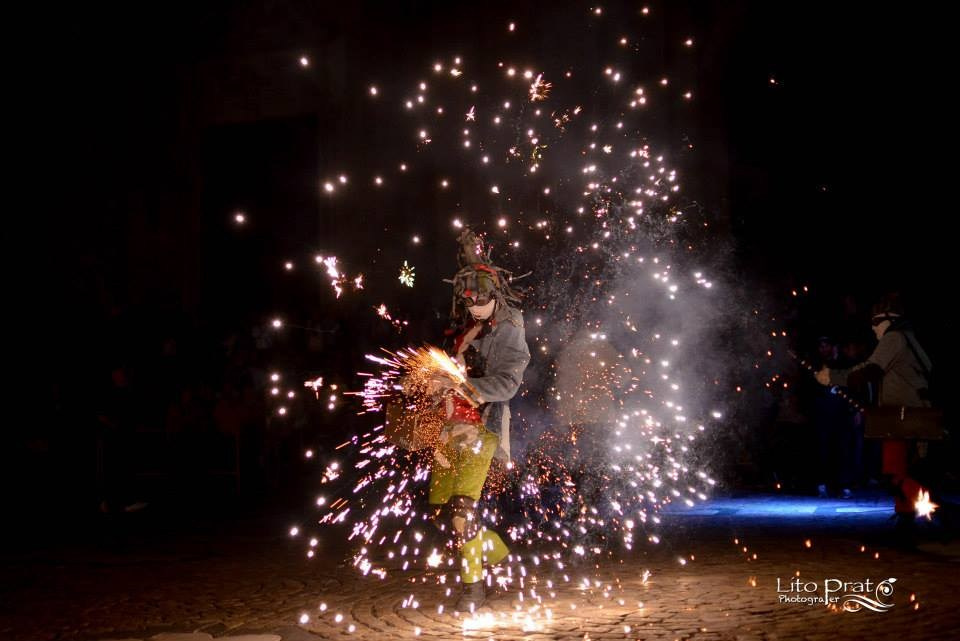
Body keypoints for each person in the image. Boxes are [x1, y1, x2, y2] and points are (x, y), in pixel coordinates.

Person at [426, 229, 530, 611]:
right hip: (450, 429)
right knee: (442, 511)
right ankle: (503, 560)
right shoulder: (464, 323)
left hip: (482, 428)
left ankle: (474, 589)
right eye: (467, 299)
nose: (474, 306)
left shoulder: (509, 326)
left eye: (481, 299)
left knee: (461, 510)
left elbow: (507, 382)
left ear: (496, 294)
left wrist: (463, 384)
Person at [815, 293, 933, 543]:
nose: (873, 327)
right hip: (912, 412)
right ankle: (906, 520)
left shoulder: (894, 338)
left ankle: (931, 507)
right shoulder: (907, 337)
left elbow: (870, 370)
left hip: (903, 415)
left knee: (894, 472)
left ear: (890, 320)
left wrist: (833, 377)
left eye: (877, 321)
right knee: (904, 469)